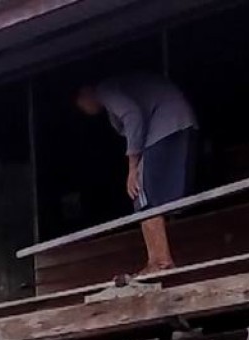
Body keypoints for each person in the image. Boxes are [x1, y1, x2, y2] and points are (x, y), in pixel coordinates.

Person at [76, 73, 198, 274]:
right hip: (181, 121)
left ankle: (160, 261)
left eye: (80, 103)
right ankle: (159, 260)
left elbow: (132, 116)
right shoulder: (120, 87)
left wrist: (132, 167)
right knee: (154, 194)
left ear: (85, 93)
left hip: (165, 124)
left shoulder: (105, 89)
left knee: (141, 191)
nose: (84, 109)